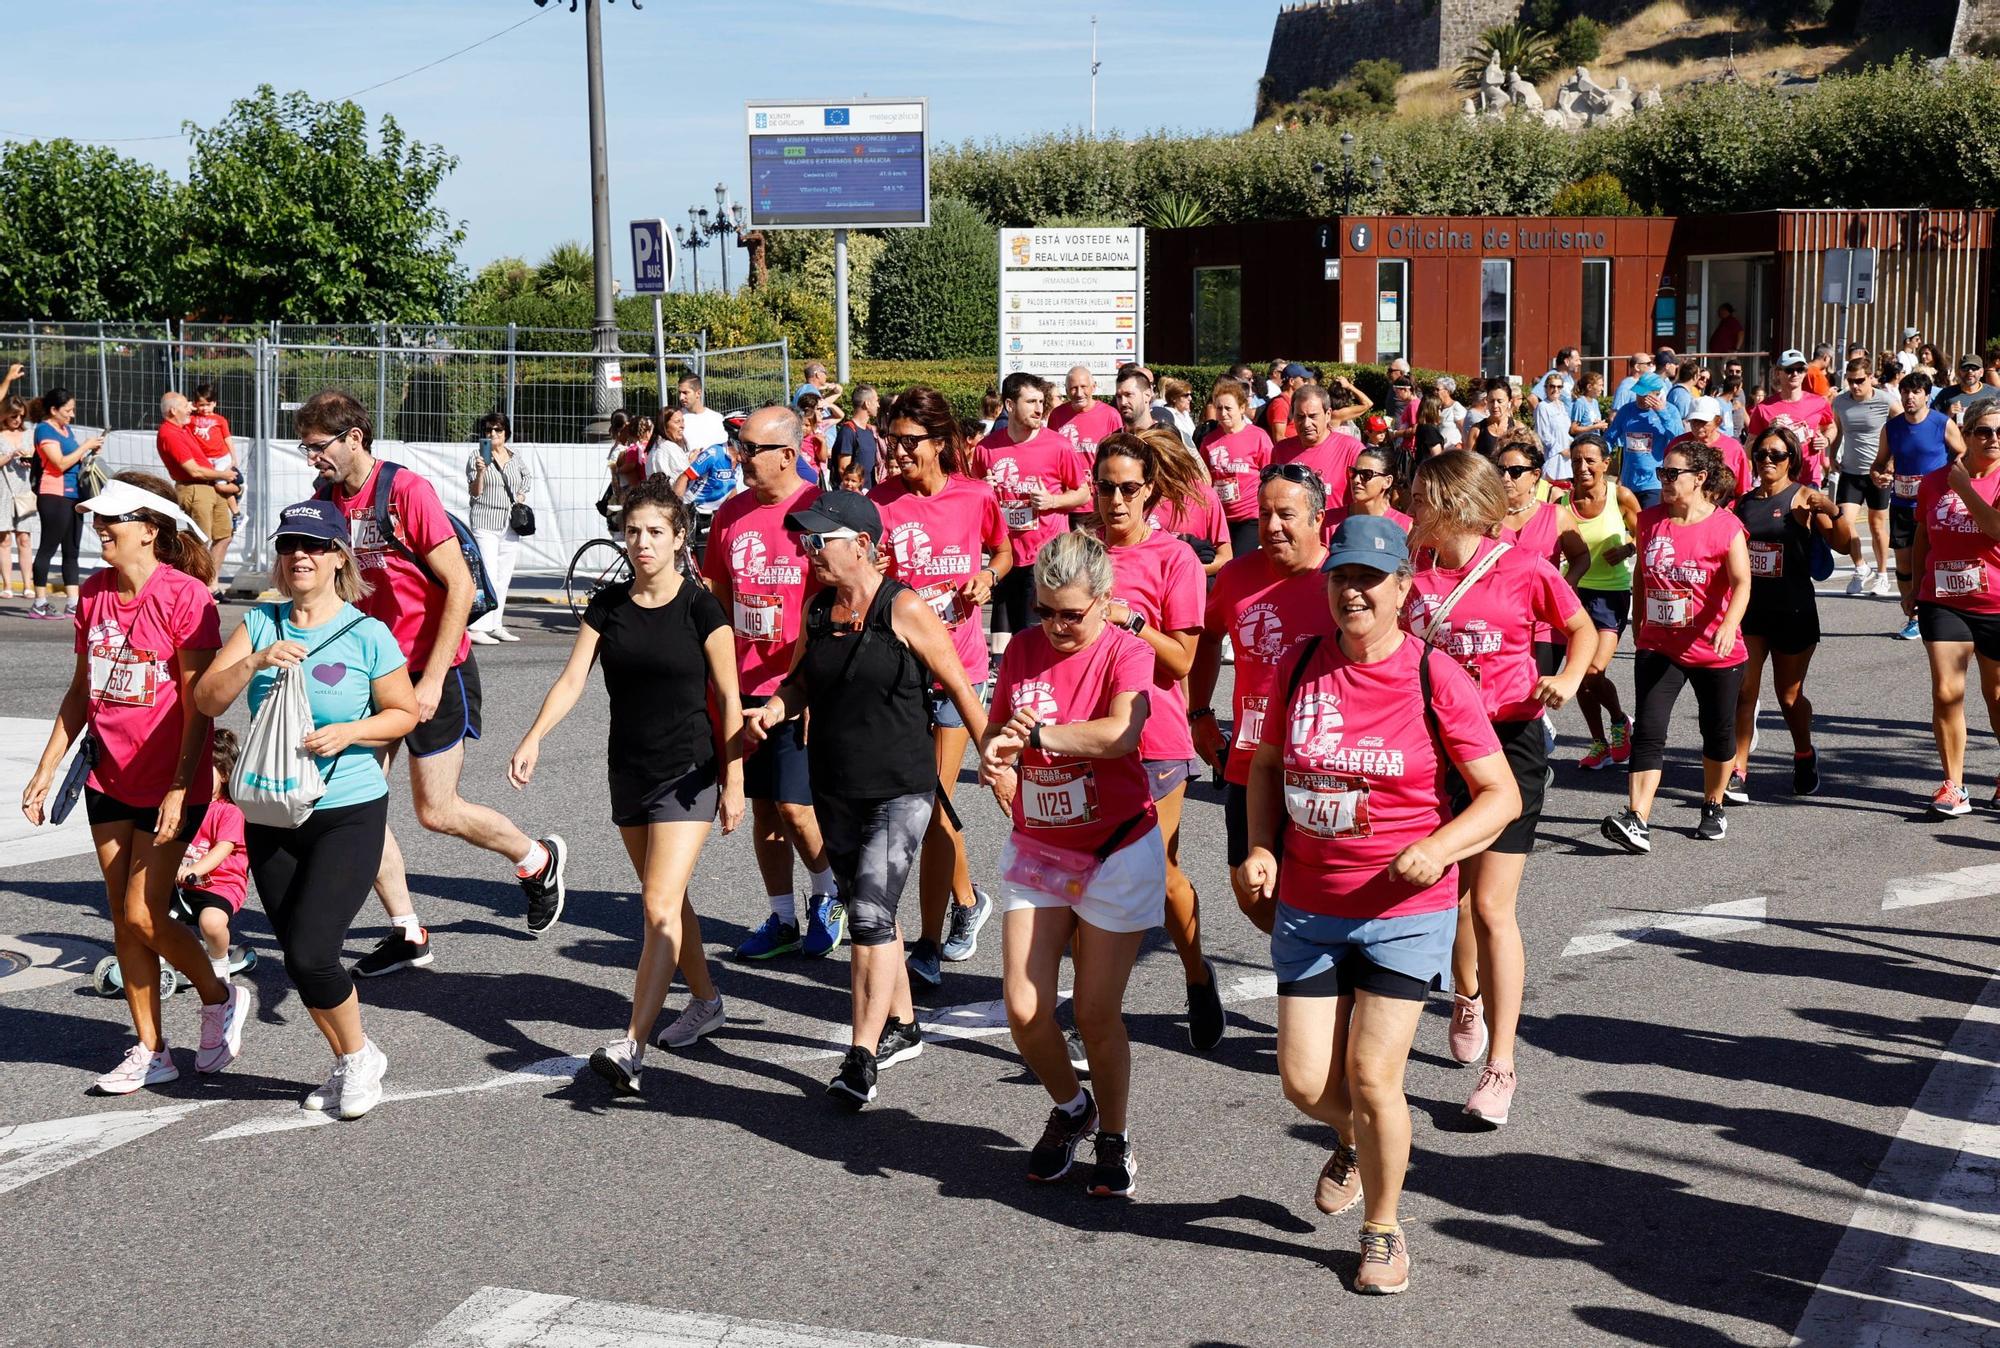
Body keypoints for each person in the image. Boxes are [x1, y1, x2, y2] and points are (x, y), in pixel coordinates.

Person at [1238, 514, 1517, 1295]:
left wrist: (1442, 846)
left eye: (1370, 578)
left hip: (1404, 910)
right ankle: (1357, 1142)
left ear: (1402, 589)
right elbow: (1263, 766)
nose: (1352, 590)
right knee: (1302, 1083)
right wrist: (1260, 847)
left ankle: (1385, 1230)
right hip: (1309, 903)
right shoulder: (1296, 666)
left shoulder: (1436, 677)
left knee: (1371, 1075)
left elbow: (1501, 796)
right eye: (1342, 576)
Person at [299, 390, 567, 977]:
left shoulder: (405, 492)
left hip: (433, 667)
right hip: (371, 671)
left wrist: (433, 679)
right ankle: (407, 931)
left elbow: (461, 586)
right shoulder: (325, 501)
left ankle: (536, 858)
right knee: (355, 806)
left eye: (319, 446)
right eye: (306, 447)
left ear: (354, 438)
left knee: (436, 811)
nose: (311, 458)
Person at [748, 490, 986, 1108]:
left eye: (820, 539)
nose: (809, 550)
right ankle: (903, 1025)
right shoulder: (820, 608)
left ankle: (859, 1056)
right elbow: (801, 678)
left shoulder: (902, 607)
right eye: (805, 540)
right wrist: (776, 707)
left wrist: (999, 759)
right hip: (838, 785)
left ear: (862, 544)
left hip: (901, 788)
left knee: (868, 919)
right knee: (870, 906)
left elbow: (959, 684)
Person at [510, 481, 744, 1092]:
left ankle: (632, 1046)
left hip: (688, 772)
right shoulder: (607, 605)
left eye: (655, 532)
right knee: (667, 898)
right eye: (633, 531)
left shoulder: (702, 608)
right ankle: (706, 1000)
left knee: (657, 905)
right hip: (629, 770)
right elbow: (570, 682)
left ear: (678, 538)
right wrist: (534, 736)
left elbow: (728, 697)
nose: (641, 543)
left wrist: (735, 775)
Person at [20, 471, 248, 1094]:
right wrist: (45, 770)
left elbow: (200, 703)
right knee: (124, 919)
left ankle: (218, 994)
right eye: (97, 520)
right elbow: (80, 692)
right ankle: (152, 1049)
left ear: (149, 531)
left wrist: (181, 784)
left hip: (174, 782)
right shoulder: (93, 593)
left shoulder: (187, 597)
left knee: (145, 916)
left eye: (111, 521)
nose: (99, 529)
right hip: (108, 777)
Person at [194, 498, 415, 1117]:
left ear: (339, 557)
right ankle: (352, 1057)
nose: (300, 557)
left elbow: (404, 712)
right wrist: (256, 660)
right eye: (289, 546)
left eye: (315, 546)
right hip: (271, 812)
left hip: (348, 808)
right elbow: (206, 699)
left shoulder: (368, 634)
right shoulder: (261, 625)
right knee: (297, 955)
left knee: (315, 951)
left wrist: (350, 733)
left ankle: (360, 1059)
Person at [1403, 452, 1590, 1128]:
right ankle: (1467, 996)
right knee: (1450, 899)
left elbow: (1580, 628)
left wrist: (1567, 680)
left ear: (1451, 503)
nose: (1410, 507)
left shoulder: (1523, 568)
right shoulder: (1412, 574)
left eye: (1420, 497)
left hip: (1508, 745)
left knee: (1490, 906)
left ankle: (1501, 1066)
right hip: (1435, 745)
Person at [978, 530, 1164, 1197]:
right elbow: (997, 737)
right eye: (1045, 610)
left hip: (1116, 848)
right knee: (1023, 1009)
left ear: (1105, 603)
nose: (1055, 625)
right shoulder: (1024, 651)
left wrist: (1041, 738)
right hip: (1040, 847)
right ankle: (1071, 1109)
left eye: (1071, 614)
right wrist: (997, 758)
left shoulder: (1127, 653)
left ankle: (1113, 1133)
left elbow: (1121, 734)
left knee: (1092, 1010)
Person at [874, 388, 1014, 987]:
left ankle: (927, 945)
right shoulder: (878, 503)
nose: (898, 452)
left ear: (939, 443)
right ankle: (969, 899)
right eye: (892, 441)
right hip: (900, 673)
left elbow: (1005, 551)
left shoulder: (975, 495)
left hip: (960, 671)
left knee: (931, 806)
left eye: (910, 442)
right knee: (918, 801)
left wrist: (987, 574)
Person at [1092, 432, 1226, 1049]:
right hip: (1085, 735)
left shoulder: (1174, 559)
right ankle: (1096, 1010)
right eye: (1105, 487)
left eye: (1128, 488)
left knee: (1158, 870)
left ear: (1151, 492)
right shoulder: (1074, 550)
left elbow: (1180, 661)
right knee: (1090, 871)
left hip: (1155, 736)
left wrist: (1129, 619)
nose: (1115, 500)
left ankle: (1198, 976)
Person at [702, 405, 844, 960]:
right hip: (741, 684)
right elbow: (717, 595)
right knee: (762, 806)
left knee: (795, 807)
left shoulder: (818, 510)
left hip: (798, 686)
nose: (741, 457)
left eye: (752, 449)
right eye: (741, 447)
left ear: (788, 455)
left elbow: (836, 599)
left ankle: (827, 893)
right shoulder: (730, 514)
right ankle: (782, 917)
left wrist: (812, 686)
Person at [1190, 464, 1333, 933]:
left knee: (1327, 889)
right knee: (1251, 888)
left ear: (1318, 518)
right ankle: (1304, 957)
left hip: (1325, 766)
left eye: (1286, 515)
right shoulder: (1236, 577)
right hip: (1251, 762)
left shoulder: (1342, 580)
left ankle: (1320, 980)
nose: (1271, 526)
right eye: (1265, 513)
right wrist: (1200, 713)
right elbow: (1208, 638)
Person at [1600, 441, 1751, 852]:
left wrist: (1729, 625)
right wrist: (1638, 619)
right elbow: (1640, 577)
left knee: (1717, 734)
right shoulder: (1649, 521)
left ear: (1699, 478)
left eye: (1672, 474)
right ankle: (1637, 818)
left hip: (1714, 649)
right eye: (1661, 473)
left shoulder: (1725, 526)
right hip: (1660, 646)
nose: (1662, 481)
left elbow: (1741, 582)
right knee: (1649, 730)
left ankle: (1713, 804)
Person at [1726, 426, 1848, 804]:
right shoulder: (1744, 503)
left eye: (1776, 455)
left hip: (1793, 609)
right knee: (1745, 691)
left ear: (1791, 460)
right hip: (1753, 610)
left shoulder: (1803, 498)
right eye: (1761, 454)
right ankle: (1738, 770)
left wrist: (1832, 510)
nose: (1767, 461)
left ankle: (1804, 754)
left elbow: (1842, 543)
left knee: (1789, 696)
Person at [1905, 396, 2000, 816]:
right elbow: (1923, 533)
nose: (1993, 438)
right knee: (1946, 692)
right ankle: (1954, 785)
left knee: (1997, 695)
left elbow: (1996, 529)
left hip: (1996, 602)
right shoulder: (1933, 481)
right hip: (1942, 600)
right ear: (1966, 436)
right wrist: (1910, 584)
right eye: (1984, 431)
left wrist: (1964, 488)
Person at [974, 373, 1088, 667]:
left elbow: (1083, 492)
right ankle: (1007, 680)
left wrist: (1053, 501)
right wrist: (983, 491)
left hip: (1046, 553)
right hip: (1004, 552)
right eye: (1031, 402)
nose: (1039, 409)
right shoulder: (987, 449)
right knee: (1006, 629)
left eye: (1041, 402)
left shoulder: (1058, 446)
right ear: (1009, 405)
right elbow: (971, 496)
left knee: (1036, 629)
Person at [1558, 435, 1641, 770]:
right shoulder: (1563, 502)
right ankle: (1599, 743)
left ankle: (1620, 721)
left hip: (1612, 594)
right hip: (1574, 594)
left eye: (1590, 460)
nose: (1583, 467)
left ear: (1606, 463)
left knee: (1593, 671)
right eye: (1576, 460)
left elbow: (1644, 533)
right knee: (1579, 675)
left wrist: (1628, 547)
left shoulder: (1619, 496)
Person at [1874, 370, 1963, 642]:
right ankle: (1912, 617)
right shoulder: (1892, 427)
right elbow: (1879, 462)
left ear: (1926, 396)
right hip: (1902, 502)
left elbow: (1962, 452)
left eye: (1915, 392)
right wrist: (1878, 474)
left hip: (1935, 503)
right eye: (1905, 392)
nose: (1909, 397)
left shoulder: (1941, 423)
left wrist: (1947, 477)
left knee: (1935, 558)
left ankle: (1940, 611)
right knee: (1904, 563)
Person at [176, 727, 249, 983]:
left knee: (211, 923)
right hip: (182, 883)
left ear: (226, 775)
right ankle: (163, 957)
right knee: (149, 914)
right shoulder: (183, 806)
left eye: (204, 773)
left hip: (220, 885)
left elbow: (223, 847)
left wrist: (195, 869)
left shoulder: (229, 812)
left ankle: (219, 962)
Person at [27, 388, 103, 620]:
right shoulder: (43, 429)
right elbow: (59, 464)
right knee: (48, 548)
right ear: (53, 410)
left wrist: (90, 452)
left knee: (72, 550)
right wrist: (84, 447)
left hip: (74, 495)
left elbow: (74, 460)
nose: (71, 414)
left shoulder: (65, 429)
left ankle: (73, 602)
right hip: (54, 495)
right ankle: (39, 602)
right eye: (67, 410)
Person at [156, 391, 236, 598]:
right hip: (195, 487)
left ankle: (211, 584)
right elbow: (193, 470)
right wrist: (223, 473)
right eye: (185, 405)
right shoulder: (170, 434)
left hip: (209, 486)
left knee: (224, 536)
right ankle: (192, 587)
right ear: (173, 410)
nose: (190, 407)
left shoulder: (182, 429)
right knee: (201, 540)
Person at [1832, 358, 1899, 597]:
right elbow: (1838, 430)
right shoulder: (1840, 401)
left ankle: (1882, 575)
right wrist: (1831, 455)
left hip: (1878, 472)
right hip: (1850, 471)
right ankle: (1861, 567)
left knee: (1877, 525)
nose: (1855, 386)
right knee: (1843, 523)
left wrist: (1892, 462)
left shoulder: (1886, 400)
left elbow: (1902, 428)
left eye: (1859, 380)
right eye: (1850, 381)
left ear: (1870, 377)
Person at [465, 411, 531, 645]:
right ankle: (476, 626)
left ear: (506, 433)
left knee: (504, 576)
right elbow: (475, 491)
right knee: (488, 574)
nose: (493, 434)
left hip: (509, 524)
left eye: (498, 430)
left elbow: (526, 477)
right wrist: (482, 471)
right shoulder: (477, 456)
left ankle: (496, 624)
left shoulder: (514, 456)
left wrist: (522, 493)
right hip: (485, 521)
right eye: (489, 430)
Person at [1140, 425, 1231, 579]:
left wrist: (1187, 570)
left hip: (1190, 585)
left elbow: (1225, 557)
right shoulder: (1138, 493)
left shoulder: (1203, 495)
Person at [1202, 379, 1275, 560]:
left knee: (1240, 561)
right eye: (1219, 408)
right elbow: (1204, 479)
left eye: (1228, 408)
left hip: (1249, 516)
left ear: (1242, 408)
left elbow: (1269, 475)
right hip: (1221, 518)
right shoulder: (1208, 441)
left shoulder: (1258, 437)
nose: (1223, 413)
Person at [1745, 349, 1838, 487]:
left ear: (1805, 372)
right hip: (1775, 482)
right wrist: (1768, 432)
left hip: (1808, 479)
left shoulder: (1818, 402)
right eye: (1789, 370)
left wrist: (1826, 440)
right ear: (1778, 373)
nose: (1795, 374)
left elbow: (1831, 427)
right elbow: (1748, 450)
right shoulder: (1764, 408)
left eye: (1800, 369)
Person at [1271, 385, 1363, 507]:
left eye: (1313, 416)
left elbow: (1366, 499)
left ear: (1328, 414)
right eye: (1300, 416)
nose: (1306, 424)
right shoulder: (1281, 450)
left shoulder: (1351, 449)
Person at [1605, 373, 1684, 509]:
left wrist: (1662, 412)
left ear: (1658, 394)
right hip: (1629, 482)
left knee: (1649, 525)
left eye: (1645, 395)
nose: (1640, 398)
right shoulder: (1626, 410)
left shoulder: (1670, 410)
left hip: (1654, 483)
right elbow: (1609, 438)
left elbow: (1679, 439)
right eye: (1638, 394)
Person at [1669, 397, 1751, 500]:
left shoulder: (1734, 448)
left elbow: (1743, 489)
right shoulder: (1677, 445)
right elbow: (1666, 483)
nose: (1698, 426)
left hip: (1722, 511)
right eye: (1694, 421)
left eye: (1703, 421)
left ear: (1718, 421)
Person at [1049, 365, 1125, 474]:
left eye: (1083, 387)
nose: (1079, 393)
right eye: (1073, 388)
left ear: (1093, 387)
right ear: (1066, 390)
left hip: (1099, 488)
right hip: (1067, 489)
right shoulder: (1056, 415)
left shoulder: (1110, 415)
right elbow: (1052, 455)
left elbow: (1118, 457)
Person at [0, 395, 37, 598]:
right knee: (4, 540)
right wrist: (10, 455)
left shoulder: (28, 434)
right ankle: (7, 584)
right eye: (14, 416)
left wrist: (28, 459)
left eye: (21, 416)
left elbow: (35, 459)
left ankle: (27, 584)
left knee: (24, 538)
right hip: (3, 491)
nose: (17, 420)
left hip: (23, 491)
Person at [1342, 447, 1412, 533]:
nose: (1356, 480)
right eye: (1353, 472)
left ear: (1387, 481)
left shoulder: (1405, 527)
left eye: (1366, 474)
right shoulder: (1328, 522)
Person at [832, 383, 882, 485]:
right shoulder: (848, 431)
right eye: (876, 400)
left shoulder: (869, 430)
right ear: (867, 404)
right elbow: (843, 469)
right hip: (855, 496)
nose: (878, 405)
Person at [1463, 379, 1524, 461]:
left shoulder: (1518, 428)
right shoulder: (1477, 430)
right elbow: (1468, 463)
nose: (1495, 405)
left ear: (1509, 402)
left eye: (1500, 401)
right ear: (1486, 401)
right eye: (1491, 401)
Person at [1534, 373, 1577, 482]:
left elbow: (1565, 431)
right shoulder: (1542, 407)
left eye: (1559, 386)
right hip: (1552, 456)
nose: (1555, 389)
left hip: (1566, 456)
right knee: (1548, 489)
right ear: (1546, 388)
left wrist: (1571, 445)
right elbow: (1543, 434)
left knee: (1565, 492)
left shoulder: (1562, 406)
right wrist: (1561, 450)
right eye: (1552, 386)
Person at [677, 376, 730, 459]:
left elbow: (724, 450)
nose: (681, 397)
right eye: (679, 393)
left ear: (698, 393)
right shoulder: (676, 419)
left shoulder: (716, 418)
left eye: (685, 393)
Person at [646, 405, 693, 484]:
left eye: (682, 421)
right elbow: (684, 478)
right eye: (677, 422)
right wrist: (694, 462)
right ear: (665, 425)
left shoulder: (656, 445)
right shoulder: (668, 447)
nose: (682, 426)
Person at [1934, 355, 1990, 422]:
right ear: (1958, 372)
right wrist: (1948, 414)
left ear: (1981, 372)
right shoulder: (1945, 394)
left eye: (1974, 368)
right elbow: (1934, 422)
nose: (1970, 371)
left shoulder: (1994, 394)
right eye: (1965, 368)